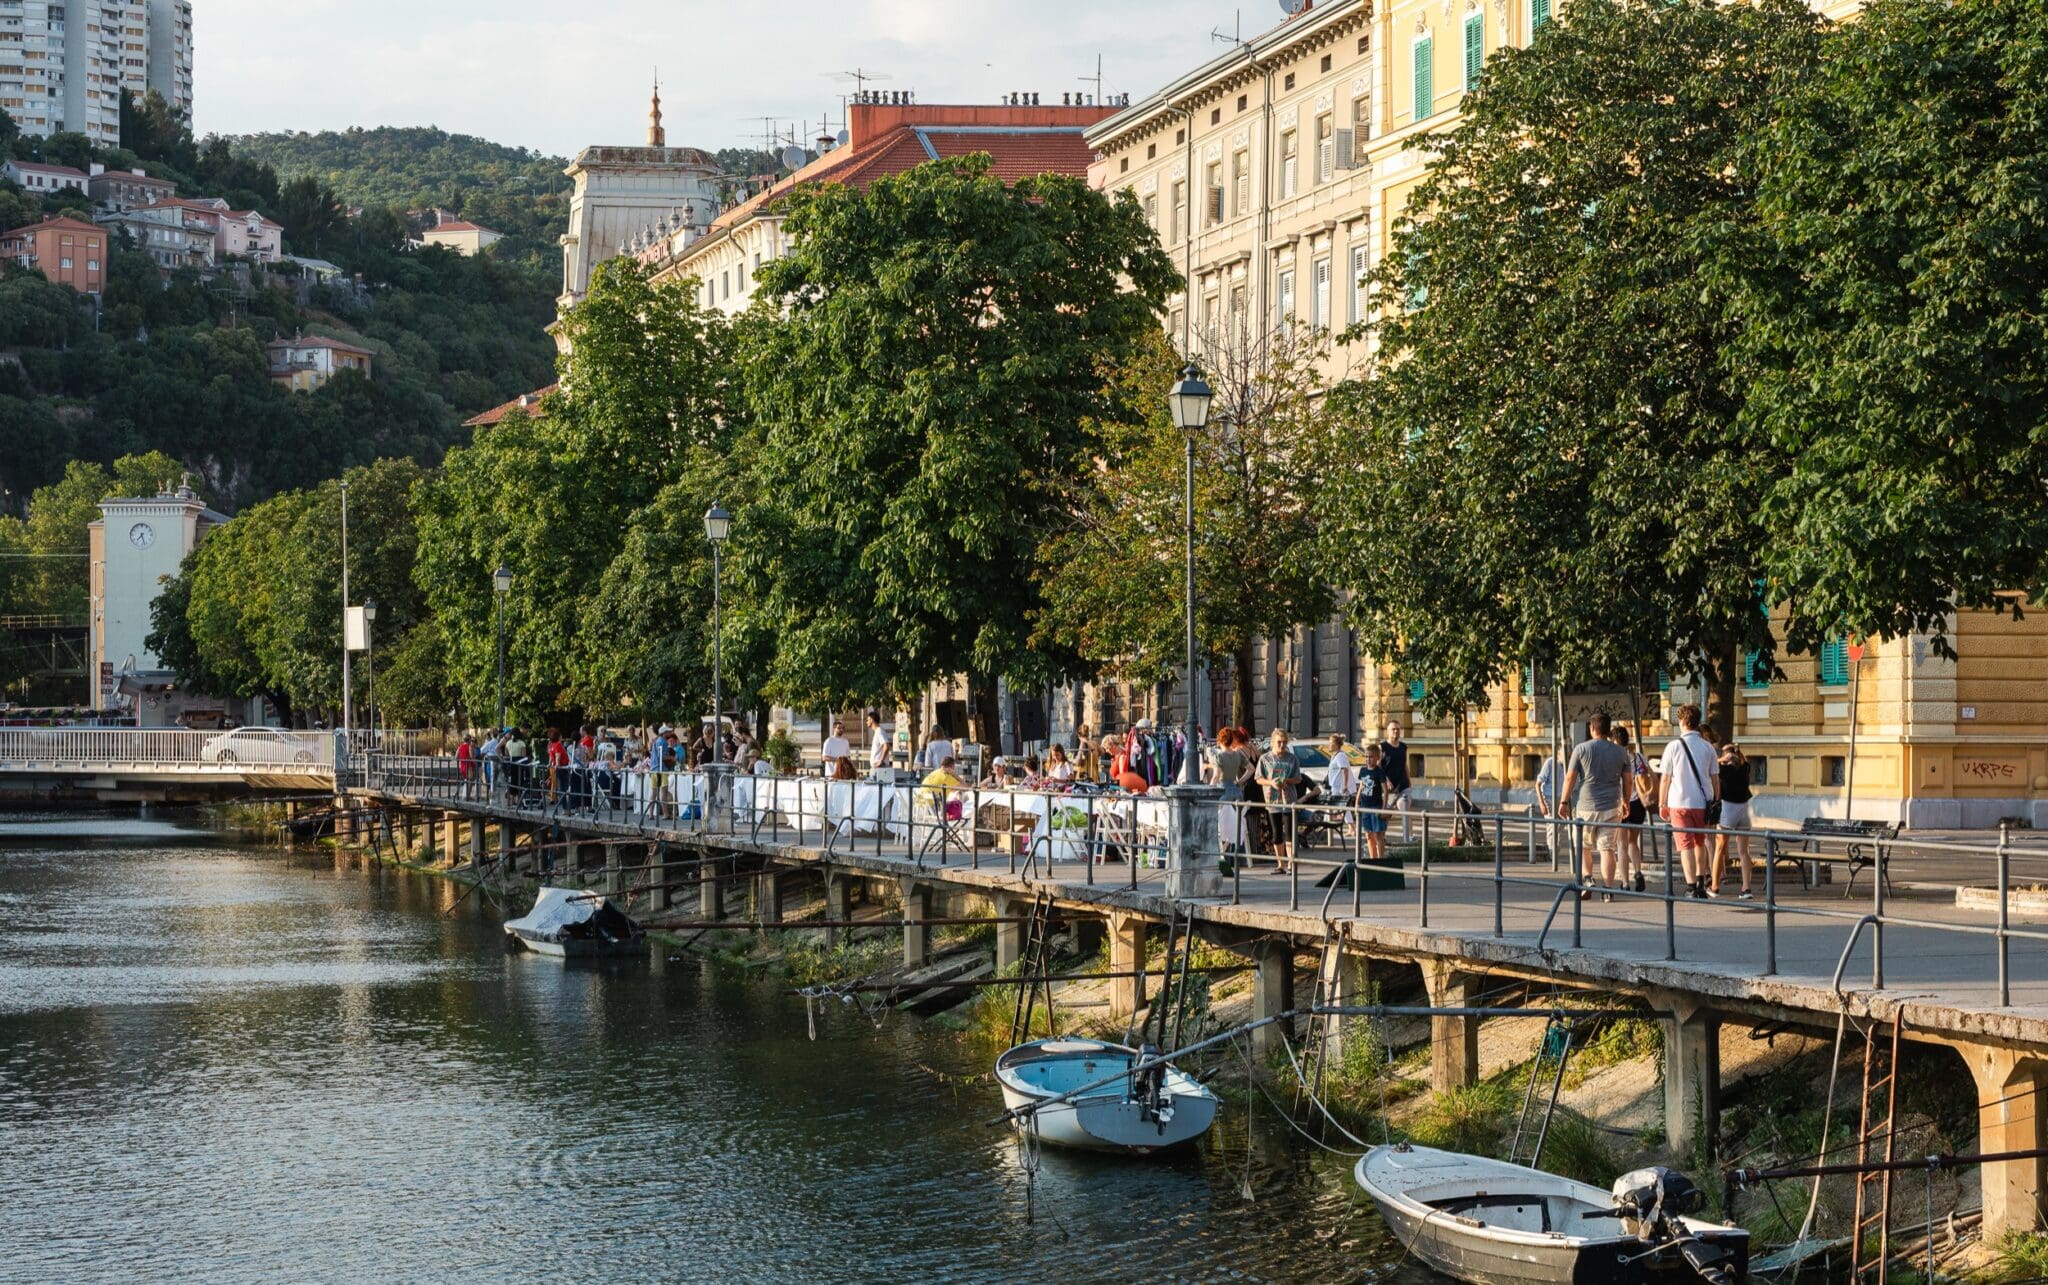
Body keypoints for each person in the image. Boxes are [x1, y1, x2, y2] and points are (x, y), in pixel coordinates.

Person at [1558, 712, 1634, 901]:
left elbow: (1570, 777)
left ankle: (1588, 879)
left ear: (1592, 728)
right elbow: (1628, 780)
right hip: (1612, 805)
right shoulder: (1620, 752)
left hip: (1586, 806)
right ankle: (1608, 890)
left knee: (1583, 845)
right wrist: (1626, 800)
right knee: (1607, 848)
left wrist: (1564, 801)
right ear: (1608, 729)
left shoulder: (1581, 749)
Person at [1658, 703, 1721, 899]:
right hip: (1703, 803)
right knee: (1700, 843)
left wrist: (1662, 803)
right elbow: (1715, 778)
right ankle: (1702, 883)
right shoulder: (1708, 747)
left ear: (1683, 722)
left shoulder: (1673, 746)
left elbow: (1666, 778)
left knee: (1685, 846)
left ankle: (1691, 886)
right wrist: (1716, 800)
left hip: (1680, 803)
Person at [1255, 729, 1304, 873]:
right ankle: (1280, 864)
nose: (1281, 745)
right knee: (1276, 832)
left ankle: (1291, 864)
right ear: (1273, 743)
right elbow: (1258, 778)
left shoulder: (1292, 758)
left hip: (1288, 799)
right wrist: (1271, 782)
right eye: (1279, 742)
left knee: (1289, 832)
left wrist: (1286, 780)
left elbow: (1298, 778)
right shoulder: (1265, 759)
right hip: (1272, 799)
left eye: (1284, 742)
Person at [1713, 742, 1756, 899]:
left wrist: (1722, 759)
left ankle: (1715, 886)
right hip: (1744, 809)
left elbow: (1710, 765)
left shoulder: (1723, 769)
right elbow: (1745, 762)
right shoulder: (1745, 768)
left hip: (1728, 808)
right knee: (1744, 851)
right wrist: (1737, 753)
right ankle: (1746, 888)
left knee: (1720, 847)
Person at [1613, 725, 1651, 893]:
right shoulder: (1638, 757)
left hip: (1621, 803)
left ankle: (1625, 883)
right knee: (1632, 842)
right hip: (1638, 803)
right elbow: (1649, 775)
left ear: (1614, 740)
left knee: (1621, 844)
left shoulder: (1614, 757)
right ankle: (1638, 872)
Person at [1378, 722, 1415, 842]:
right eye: (1393, 729)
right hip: (1388, 788)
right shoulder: (1382, 747)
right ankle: (1382, 836)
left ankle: (1408, 836)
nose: (1396, 731)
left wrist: (1409, 782)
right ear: (1388, 732)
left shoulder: (1403, 747)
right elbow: (1378, 767)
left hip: (1403, 785)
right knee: (1387, 813)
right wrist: (1386, 780)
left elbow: (1405, 765)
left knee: (1405, 809)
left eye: (1398, 729)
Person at [1356, 742, 1391, 862]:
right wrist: (1357, 802)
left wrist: (1384, 808)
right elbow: (1361, 787)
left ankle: (1380, 859)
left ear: (1377, 758)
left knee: (1378, 834)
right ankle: (1373, 859)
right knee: (1368, 835)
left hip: (1376, 807)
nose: (1368, 759)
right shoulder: (1363, 771)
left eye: (1371, 757)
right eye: (1366, 756)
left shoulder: (1379, 772)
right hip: (1365, 807)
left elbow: (1385, 790)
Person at [1533, 747, 1568, 866]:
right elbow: (1537, 784)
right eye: (1566, 755)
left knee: (1560, 827)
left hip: (1561, 798)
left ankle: (1555, 853)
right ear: (1559, 754)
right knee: (1552, 827)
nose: (1568, 757)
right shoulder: (1550, 763)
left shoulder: (1567, 766)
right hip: (1548, 797)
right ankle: (1552, 854)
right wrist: (1542, 803)